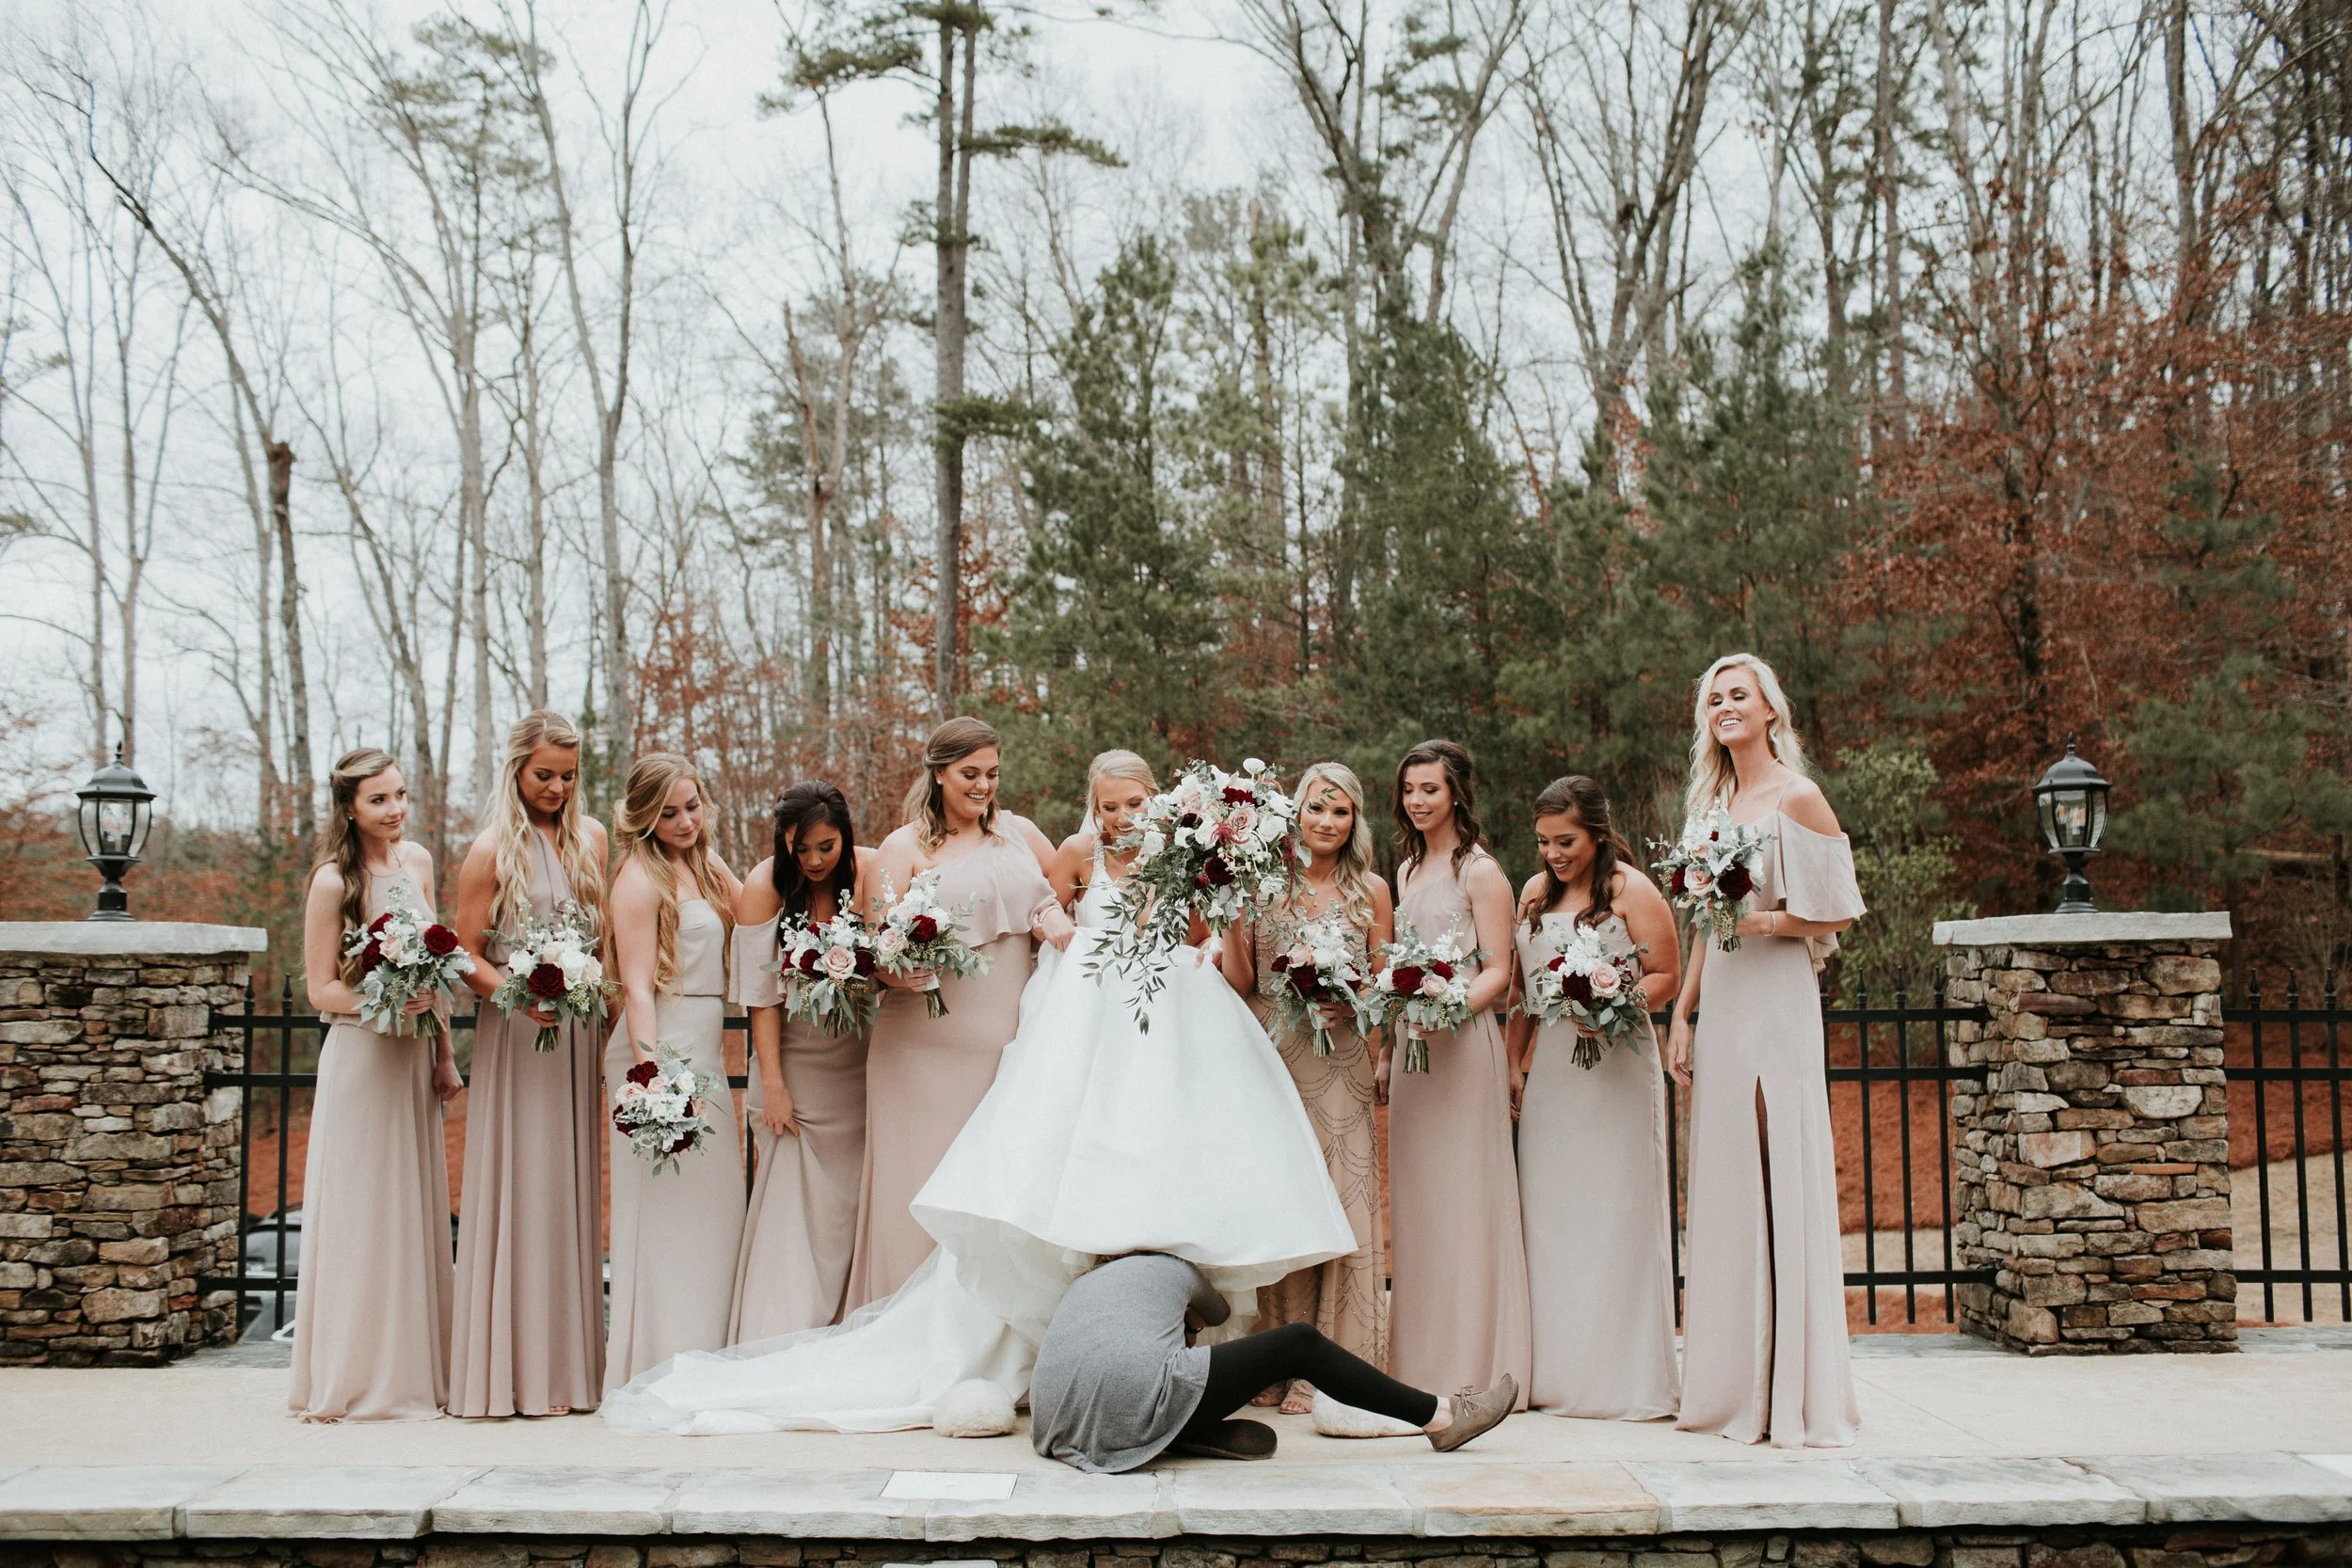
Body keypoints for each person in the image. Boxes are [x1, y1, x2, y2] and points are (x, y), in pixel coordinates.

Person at [600, 749, 1358, 1436]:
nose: (1125, 816)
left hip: (1145, 1031)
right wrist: (1045, 923)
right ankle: (1063, 1350)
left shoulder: (1132, 852)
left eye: (1137, 803)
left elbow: (1196, 939)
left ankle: (1157, 1348)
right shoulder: (1055, 851)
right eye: (1111, 805)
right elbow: (1015, 904)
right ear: (1093, 807)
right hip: (1044, 1028)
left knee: (1147, 1164)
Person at [1666, 654, 1867, 1448]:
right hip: (1725, 1001)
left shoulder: (1798, 796)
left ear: (1769, 709)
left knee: (1779, 1159)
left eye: (1737, 694)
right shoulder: (1709, 804)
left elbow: (1837, 914)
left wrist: (1761, 922)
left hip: (1778, 998)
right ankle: (1730, 1385)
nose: (1724, 705)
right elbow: (1700, 924)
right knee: (1728, 1174)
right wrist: (1684, 1013)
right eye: (1713, 697)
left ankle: (1794, 1392)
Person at [849, 718, 1071, 1307]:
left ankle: (988, 1335)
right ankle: (906, 1327)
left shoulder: (1019, 834)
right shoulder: (902, 848)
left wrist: (1067, 936)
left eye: (992, 774)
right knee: (918, 1188)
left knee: (992, 1191)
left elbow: (1059, 899)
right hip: (920, 1052)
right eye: (970, 774)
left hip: (1004, 1049)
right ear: (939, 773)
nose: (983, 787)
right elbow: (873, 950)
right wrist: (897, 970)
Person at [289, 749, 460, 1422]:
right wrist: (385, 1000)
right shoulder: (334, 881)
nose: (394, 810)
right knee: (362, 1213)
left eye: (399, 795)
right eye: (379, 801)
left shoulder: (416, 862)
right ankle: (355, 1377)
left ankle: (417, 1369)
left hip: (413, 1061)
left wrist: (444, 1053)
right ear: (350, 809)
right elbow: (320, 987)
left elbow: (438, 961)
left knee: (410, 1210)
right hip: (363, 1058)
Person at [448, 710, 609, 1418]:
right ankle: (511, 1372)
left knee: (566, 1188)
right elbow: (462, 953)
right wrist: (516, 994)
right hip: (518, 1034)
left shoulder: (593, 839)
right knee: (523, 1185)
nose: (557, 787)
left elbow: (602, 935)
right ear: (516, 768)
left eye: (569, 776)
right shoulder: (488, 851)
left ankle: (568, 1372)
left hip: (573, 1037)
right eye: (546, 774)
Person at [1505, 775, 1681, 1420]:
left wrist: (1612, 1000)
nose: (1554, 853)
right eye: (1545, 841)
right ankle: (1556, 1372)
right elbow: (1522, 990)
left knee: (1616, 1214)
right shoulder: (1531, 894)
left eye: (1567, 840)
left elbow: (1667, 973)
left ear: (1598, 832)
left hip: (1617, 1071)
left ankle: (1622, 1378)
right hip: (1554, 1070)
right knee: (1553, 1218)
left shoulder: (1630, 889)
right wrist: (1512, 1063)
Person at [1219, 760, 1392, 1411]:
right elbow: (1241, 983)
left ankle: (1334, 1368)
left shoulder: (1370, 890)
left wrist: (1355, 1006)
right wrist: (1234, 921)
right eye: (1316, 808)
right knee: (1279, 1204)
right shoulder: (1261, 882)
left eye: (1340, 810)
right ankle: (1271, 1360)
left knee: (1339, 1204)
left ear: (1354, 821)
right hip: (1271, 1059)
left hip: (1339, 1057)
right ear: (1295, 812)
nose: (1326, 821)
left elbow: (1383, 980)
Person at [1029, 1253, 1518, 1472]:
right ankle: (1443, 1417)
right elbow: (1215, 1313)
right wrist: (1191, 1320)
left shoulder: (1085, 1285)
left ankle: (1172, 1432)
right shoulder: (1175, 1268)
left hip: (1055, 1425)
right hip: (1132, 1396)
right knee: (1299, 1342)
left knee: (1158, 1371)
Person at [1384, 739, 1533, 1407]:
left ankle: (1479, 1359)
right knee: (1422, 1206)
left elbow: (1500, 972)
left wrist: (1449, 1007)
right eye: (1410, 790)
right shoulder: (1407, 867)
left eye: (1430, 790)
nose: (1418, 801)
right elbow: (1397, 961)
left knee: (1467, 1200)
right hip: (1415, 1057)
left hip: (1463, 1045)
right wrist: (1392, 1042)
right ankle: (1421, 1359)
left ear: (1456, 795)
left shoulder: (1482, 871)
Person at [604, 752, 745, 1390]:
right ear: (643, 817)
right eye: (670, 812)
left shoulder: (706, 864)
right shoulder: (637, 881)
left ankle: (709, 1354)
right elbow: (635, 988)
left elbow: (757, 917)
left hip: (708, 1059)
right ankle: (659, 1363)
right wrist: (653, 1083)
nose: (686, 820)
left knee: (714, 1212)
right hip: (661, 1053)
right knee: (666, 1218)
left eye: (692, 805)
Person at [730, 781, 878, 1340]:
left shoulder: (868, 870)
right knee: (795, 1213)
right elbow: (759, 996)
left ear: (845, 837)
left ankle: (847, 1329)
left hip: (861, 1059)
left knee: (848, 1208)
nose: (814, 861)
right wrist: (772, 1083)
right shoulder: (764, 884)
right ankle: (782, 1333)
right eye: (802, 849)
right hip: (797, 1065)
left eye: (826, 847)